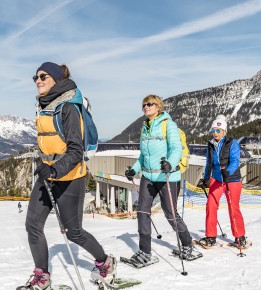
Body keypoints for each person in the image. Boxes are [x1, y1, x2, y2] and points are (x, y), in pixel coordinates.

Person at [21, 62, 115, 290]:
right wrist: (46, 166)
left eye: (43, 76)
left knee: (74, 233)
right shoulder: (44, 106)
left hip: (71, 177)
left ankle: (105, 263)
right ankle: (42, 276)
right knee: (33, 225)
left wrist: (53, 169)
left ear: (56, 79)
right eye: (35, 77)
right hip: (49, 175)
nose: (38, 80)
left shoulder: (68, 108)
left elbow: (75, 151)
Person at [124, 94, 199, 266]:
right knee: (142, 212)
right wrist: (134, 169)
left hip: (167, 176)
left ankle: (187, 244)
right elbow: (143, 155)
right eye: (144, 104)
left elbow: (176, 149)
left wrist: (170, 164)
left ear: (158, 107)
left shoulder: (168, 124)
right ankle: (145, 252)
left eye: (150, 104)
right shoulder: (144, 127)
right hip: (148, 176)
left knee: (171, 214)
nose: (146, 107)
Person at [196, 114, 248, 249]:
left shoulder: (232, 143)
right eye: (213, 130)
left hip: (232, 180)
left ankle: (240, 237)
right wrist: (206, 178)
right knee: (211, 205)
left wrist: (228, 171)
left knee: (233, 208)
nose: (215, 133)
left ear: (224, 131)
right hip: (217, 179)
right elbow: (209, 163)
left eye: (218, 130)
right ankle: (211, 237)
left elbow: (236, 161)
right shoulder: (210, 144)